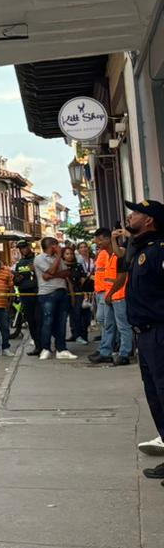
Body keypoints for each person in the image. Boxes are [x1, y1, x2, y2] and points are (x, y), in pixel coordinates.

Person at [117, 200, 164, 472]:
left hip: (159, 332)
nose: (130, 216)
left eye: (135, 213)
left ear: (148, 220)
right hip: (145, 335)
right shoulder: (141, 249)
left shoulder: (158, 251)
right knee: (156, 396)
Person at [90, 226, 132, 366]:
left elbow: (121, 277)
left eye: (100, 240)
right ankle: (105, 352)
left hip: (119, 296)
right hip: (110, 296)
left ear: (108, 239)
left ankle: (124, 354)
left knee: (123, 327)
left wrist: (111, 294)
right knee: (108, 325)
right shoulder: (106, 255)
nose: (98, 243)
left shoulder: (119, 253)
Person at [35, 236, 77, 359]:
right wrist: (59, 256)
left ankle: (61, 348)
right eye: (56, 245)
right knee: (48, 321)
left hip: (61, 292)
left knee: (62, 322)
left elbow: (66, 273)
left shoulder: (57, 259)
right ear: (52, 246)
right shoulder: (39, 259)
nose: (59, 247)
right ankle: (45, 347)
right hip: (47, 293)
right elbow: (52, 271)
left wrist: (51, 275)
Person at [13, 242, 41, 353]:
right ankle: (37, 346)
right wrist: (17, 279)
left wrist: (35, 270)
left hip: (37, 294)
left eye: (24, 247)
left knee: (40, 321)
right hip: (25, 294)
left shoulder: (38, 260)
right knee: (31, 321)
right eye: (20, 249)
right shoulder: (19, 263)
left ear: (29, 247)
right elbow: (16, 281)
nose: (23, 250)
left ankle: (44, 345)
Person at [63, 244, 92, 344]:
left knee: (79, 314)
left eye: (71, 253)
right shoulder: (61, 266)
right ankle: (74, 334)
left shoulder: (78, 265)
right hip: (65, 293)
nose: (70, 256)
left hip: (78, 292)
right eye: (67, 254)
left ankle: (81, 335)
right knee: (66, 316)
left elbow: (82, 278)